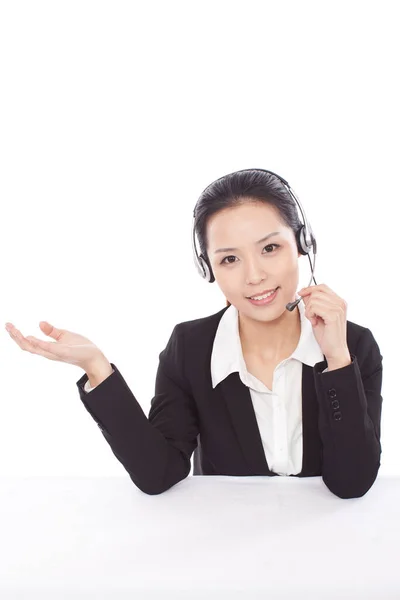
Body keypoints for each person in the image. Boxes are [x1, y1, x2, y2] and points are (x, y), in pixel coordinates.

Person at [5, 169, 383, 499]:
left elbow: (351, 483)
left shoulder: (354, 346)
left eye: (270, 248)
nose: (254, 276)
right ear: (209, 270)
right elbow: (159, 474)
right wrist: (96, 367)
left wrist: (337, 361)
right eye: (230, 259)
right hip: (223, 553)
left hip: (328, 555)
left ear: (303, 246)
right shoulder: (190, 349)